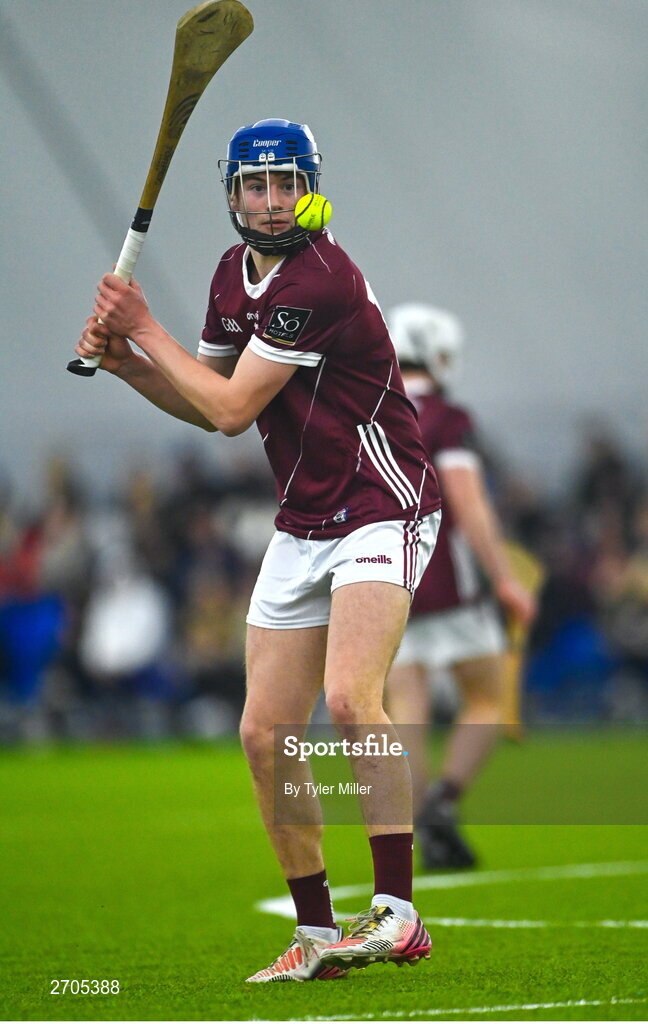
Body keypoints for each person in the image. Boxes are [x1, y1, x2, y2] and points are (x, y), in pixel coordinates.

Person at [74, 119, 442, 981]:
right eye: (254, 186)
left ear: (309, 184)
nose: (271, 203)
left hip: (382, 503)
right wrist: (130, 363)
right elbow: (207, 405)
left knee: (352, 699)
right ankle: (316, 937)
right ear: (232, 192)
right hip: (303, 516)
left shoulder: (321, 278)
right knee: (263, 735)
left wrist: (142, 323)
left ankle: (398, 911)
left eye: (285, 184)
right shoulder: (229, 278)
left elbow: (236, 407)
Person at [384, 303, 537, 869]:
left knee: (407, 708)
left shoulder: (371, 410)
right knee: (487, 697)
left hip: (387, 577)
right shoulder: (447, 418)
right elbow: (467, 503)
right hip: (448, 579)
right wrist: (504, 577)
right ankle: (444, 802)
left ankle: (419, 823)